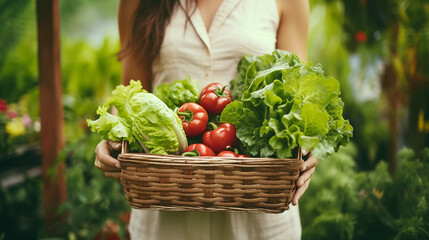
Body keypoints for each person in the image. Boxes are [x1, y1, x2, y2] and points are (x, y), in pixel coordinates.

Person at [94, 0, 318, 239]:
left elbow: (297, 92)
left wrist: (307, 144)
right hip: (166, 212)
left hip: (260, 221)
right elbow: (129, 94)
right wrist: (115, 136)